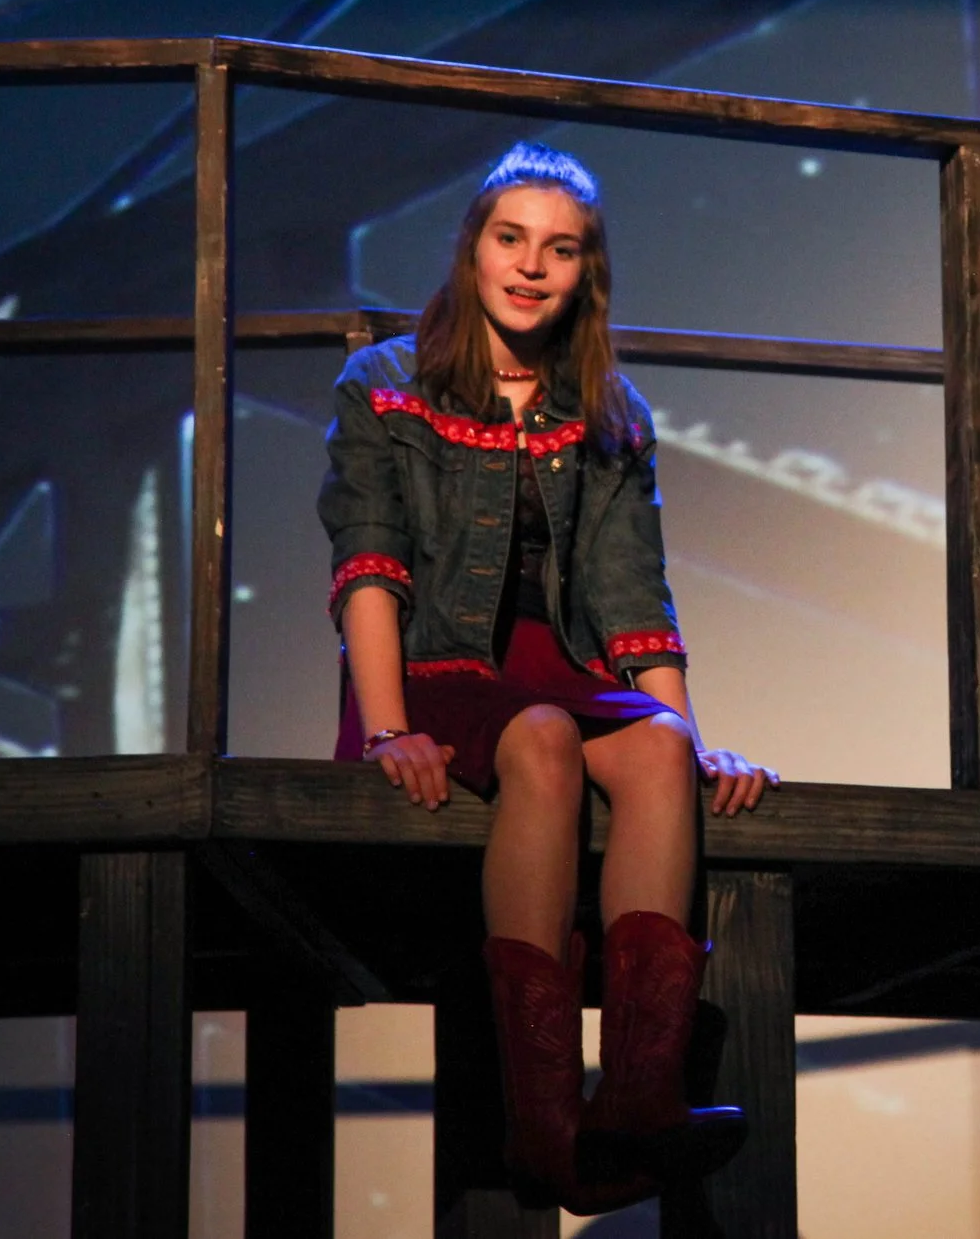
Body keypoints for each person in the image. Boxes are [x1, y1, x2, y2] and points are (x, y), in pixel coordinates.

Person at [319, 141, 778, 1214]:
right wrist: (386, 727)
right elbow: (369, 565)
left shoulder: (609, 409)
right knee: (541, 736)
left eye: (559, 249)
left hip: (557, 671)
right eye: (511, 239)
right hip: (432, 669)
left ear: (586, 271)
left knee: (657, 748)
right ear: (473, 248)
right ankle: (544, 1122)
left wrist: (688, 735)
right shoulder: (384, 384)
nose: (531, 266)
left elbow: (632, 599)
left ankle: (638, 1099)